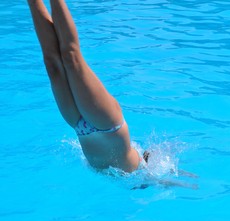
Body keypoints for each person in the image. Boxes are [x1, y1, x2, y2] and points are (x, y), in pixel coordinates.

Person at [27, 0, 147, 172]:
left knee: (52, 64)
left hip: (79, 127)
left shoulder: (130, 179)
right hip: (108, 127)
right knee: (71, 57)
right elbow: (170, 176)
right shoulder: (146, 175)